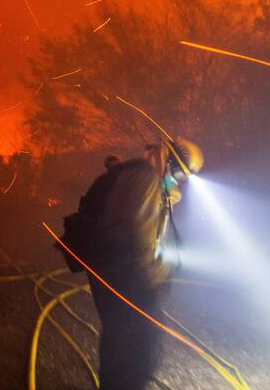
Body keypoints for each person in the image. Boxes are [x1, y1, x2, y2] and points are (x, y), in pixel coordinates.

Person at [61, 138, 202, 390]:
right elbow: (135, 236)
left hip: (110, 267)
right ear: (171, 163)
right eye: (179, 173)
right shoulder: (144, 179)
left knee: (120, 337)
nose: (178, 180)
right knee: (138, 344)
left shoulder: (142, 177)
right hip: (123, 272)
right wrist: (155, 278)